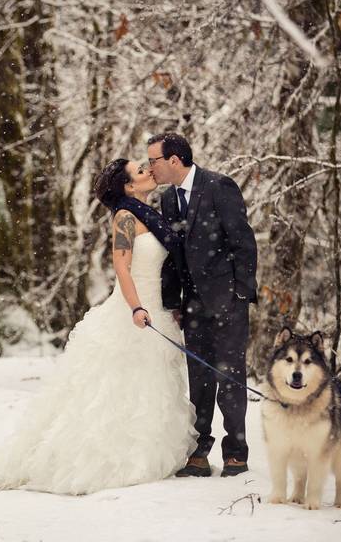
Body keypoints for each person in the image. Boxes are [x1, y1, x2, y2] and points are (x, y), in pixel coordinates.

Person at [0, 158, 197, 495]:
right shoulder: (126, 218)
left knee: (149, 387)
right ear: (129, 187)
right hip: (134, 309)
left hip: (157, 309)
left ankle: (143, 453)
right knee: (110, 391)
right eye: (140, 170)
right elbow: (122, 266)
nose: (149, 170)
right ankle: (100, 460)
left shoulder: (153, 215)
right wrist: (136, 307)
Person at [145, 132, 258, 478]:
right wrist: (173, 301)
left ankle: (236, 453)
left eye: (154, 161)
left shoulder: (219, 186)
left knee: (231, 376)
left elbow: (243, 241)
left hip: (228, 301)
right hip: (192, 305)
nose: (150, 168)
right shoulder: (167, 200)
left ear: (175, 160)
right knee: (200, 377)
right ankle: (200, 451)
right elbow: (175, 254)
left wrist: (241, 294)